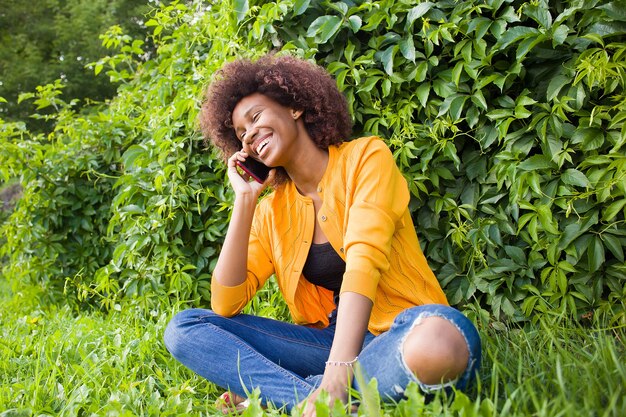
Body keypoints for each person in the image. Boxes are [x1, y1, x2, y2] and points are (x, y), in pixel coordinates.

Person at [163, 54, 481, 415]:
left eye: (255, 118)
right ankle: (317, 400)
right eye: (240, 134)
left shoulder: (366, 157)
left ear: (295, 107)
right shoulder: (272, 210)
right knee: (185, 329)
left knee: (440, 345)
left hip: (399, 331)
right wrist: (246, 199)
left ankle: (296, 393)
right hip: (327, 343)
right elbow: (226, 304)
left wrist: (336, 373)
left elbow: (365, 258)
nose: (249, 135)